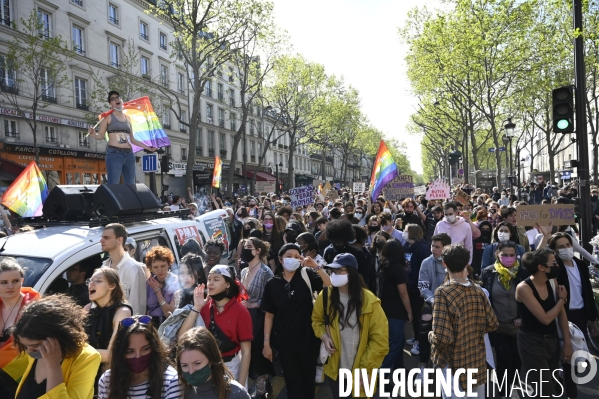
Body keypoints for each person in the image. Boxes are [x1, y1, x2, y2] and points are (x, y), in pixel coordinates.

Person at [312, 253, 388, 399]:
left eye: (340, 270)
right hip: (335, 370)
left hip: (362, 371)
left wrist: (365, 369)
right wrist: (323, 336)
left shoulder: (370, 301)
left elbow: (380, 341)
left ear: (352, 273)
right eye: (333, 271)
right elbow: (317, 320)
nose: (335, 274)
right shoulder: (325, 296)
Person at [261, 243, 331, 399]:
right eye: (288, 256)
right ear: (280, 259)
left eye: (296, 256)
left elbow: (330, 285)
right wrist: (266, 344)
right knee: (293, 385)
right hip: (285, 342)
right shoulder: (273, 284)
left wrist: (316, 267)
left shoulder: (307, 276)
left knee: (308, 383)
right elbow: (269, 315)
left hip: (309, 340)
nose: (292, 259)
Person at [428, 244, 498, 398]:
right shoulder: (479, 291)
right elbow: (493, 323)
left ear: (444, 264)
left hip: (453, 366)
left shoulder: (443, 292)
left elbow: (443, 338)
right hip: (477, 362)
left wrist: (430, 335)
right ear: (467, 263)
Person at [12, 295, 102, 399]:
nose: (29, 351)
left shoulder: (88, 357)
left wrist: (53, 366)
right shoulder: (35, 354)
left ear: (58, 336)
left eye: (35, 345)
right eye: (25, 346)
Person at [178, 265, 253, 385]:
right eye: (209, 279)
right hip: (205, 368)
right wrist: (197, 307)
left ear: (228, 284)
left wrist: (241, 384)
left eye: (216, 279)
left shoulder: (241, 312)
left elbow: (246, 352)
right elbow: (182, 338)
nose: (210, 283)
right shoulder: (203, 307)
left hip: (231, 368)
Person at [548, 232, 599, 398]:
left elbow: (588, 293)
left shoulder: (580, 265)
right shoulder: (554, 269)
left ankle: (564, 379)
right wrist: (546, 235)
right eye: (561, 247)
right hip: (562, 315)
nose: (566, 249)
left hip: (581, 315)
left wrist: (592, 319)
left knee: (579, 358)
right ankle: (570, 392)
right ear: (554, 251)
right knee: (566, 356)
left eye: (568, 245)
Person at [516, 249, 572, 398]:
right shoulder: (524, 288)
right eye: (553, 263)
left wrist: (567, 342)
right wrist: (562, 299)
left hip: (552, 340)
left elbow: (561, 314)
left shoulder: (552, 282)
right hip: (531, 342)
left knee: (551, 385)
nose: (556, 265)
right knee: (543, 390)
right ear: (541, 267)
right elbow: (546, 319)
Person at [480, 241, 529, 396]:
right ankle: (503, 391)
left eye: (512, 255)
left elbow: (530, 299)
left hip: (519, 327)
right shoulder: (488, 273)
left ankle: (513, 385)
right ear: (497, 255)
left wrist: (522, 317)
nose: (508, 258)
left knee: (517, 359)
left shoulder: (523, 273)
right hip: (498, 326)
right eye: (504, 255)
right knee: (503, 359)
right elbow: (485, 298)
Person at [98, 315, 182, 399]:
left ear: (154, 348)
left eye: (145, 349)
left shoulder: (171, 380)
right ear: (120, 353)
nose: (138, 356)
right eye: (130, 351)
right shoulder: (107, 380)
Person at [87, 90, 157, 184]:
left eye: (118, 97)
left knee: (131, 185)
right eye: (113, 99)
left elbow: (132, 139)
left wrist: (148, 147)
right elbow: (100, 136)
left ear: (121, 100)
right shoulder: (107, 117)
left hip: (129, 155)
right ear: (110, 104)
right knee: (114, 185)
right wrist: (93, 134)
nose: (116, 99)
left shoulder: (128, 118)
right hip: (114, 154)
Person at [239, 237, 274, 396]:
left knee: (258, 350)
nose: (245, 250)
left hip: (259, 318)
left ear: (258, 250)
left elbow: (272, 298)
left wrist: (253, 305)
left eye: (249, 247)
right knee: (246, 350)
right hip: (244, 317)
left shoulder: (266, 272)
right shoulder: (244, 270)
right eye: (244, 247)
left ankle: (262, 385)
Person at [0, 259, 40, 396]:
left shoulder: (35, 308)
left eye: (15, 281)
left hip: (22, 378)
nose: (10, 286)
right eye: (4, 282)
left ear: (22, 281)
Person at [415, 233, 452, 378]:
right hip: (432, 301)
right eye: (432, 246)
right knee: (425, 320)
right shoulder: (426, 262)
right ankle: (423, 364)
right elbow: (423, 286)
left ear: (446, 248)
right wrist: (433, 300)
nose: (433, 249)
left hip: (450, 302)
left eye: (437, 247)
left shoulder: (453, 261)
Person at [176, 327, 250, 398]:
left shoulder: (236, 393)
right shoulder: (181, 392)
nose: (191, 371)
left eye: (197, 363)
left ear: (211, 359)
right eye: (185, 365)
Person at [377, 239, 412, 371]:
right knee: (396, 342)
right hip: (396, 310)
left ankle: (399, 366)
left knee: (398, 339)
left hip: (385, 307)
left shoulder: (383, 266)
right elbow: (403, 293)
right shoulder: (398, 269)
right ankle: (384, 371)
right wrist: (409, 312)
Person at [101, 223, 147, 315]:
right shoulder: (103, 266)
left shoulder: (134, 268)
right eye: (102, 237)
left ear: (119, 240)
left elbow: (137, 310)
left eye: (106, 238)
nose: (101, 240)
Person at [323, 219, 375, 292]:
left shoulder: (358, 253)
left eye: (340, 240)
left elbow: (364, 276)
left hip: (354, 290)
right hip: (334, 290)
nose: (338, 243)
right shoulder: (328, 252)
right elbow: (325, 273)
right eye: (335, 241)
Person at [145, 246, 179, 327]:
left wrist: (157, 290)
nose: (160, 270)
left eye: (163, 266)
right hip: (152, 325)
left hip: (171, 324)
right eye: (155, 267)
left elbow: (169, 313)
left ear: (169, 264)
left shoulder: (176, 281)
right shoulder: (148, 283)